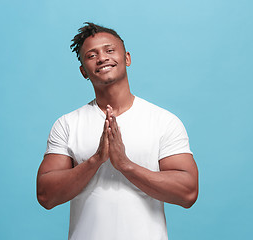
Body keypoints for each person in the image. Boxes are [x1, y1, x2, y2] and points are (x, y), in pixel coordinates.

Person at [37, 22, 198, 240]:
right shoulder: (67, 124)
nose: (102, 58)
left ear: (127, 58)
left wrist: (125, 165)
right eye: (91, 55)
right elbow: (46, 196)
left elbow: (188, 193)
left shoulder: (163, 121)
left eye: (109, 50)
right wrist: (95, 160)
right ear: (83, 71)